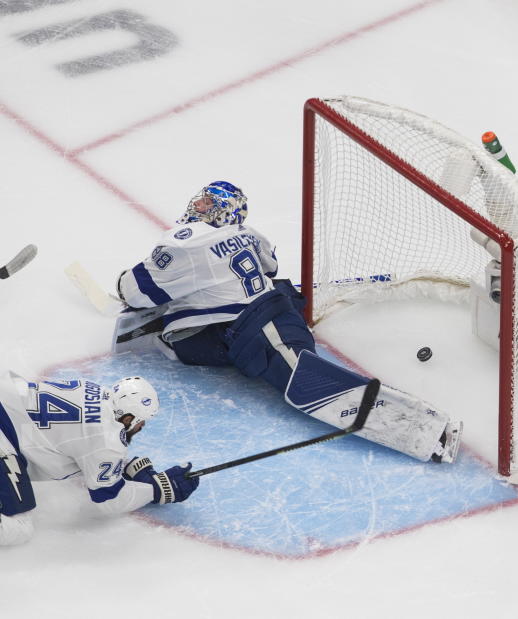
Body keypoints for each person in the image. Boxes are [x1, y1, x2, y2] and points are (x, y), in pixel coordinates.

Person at [115, 181, 461, 464]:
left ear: (223, 211)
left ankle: (425, 429)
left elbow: (134, 292)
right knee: (186, 343)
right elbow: (269, 269)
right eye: (202, 200)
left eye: (208, 203)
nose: (199, 207)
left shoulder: (187, 241)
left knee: (303, 378)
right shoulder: (250, 233)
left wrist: (124, 284)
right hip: (258, 318)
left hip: (263, 322)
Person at [0, 373, 198, 546]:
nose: (143, 426)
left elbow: (85, 439)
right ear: (129, 418)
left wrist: (124, 466)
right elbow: (109, 499)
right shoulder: (107, 440)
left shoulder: (95, 389)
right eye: (142, 420)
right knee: (18, 527)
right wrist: (156, 490)